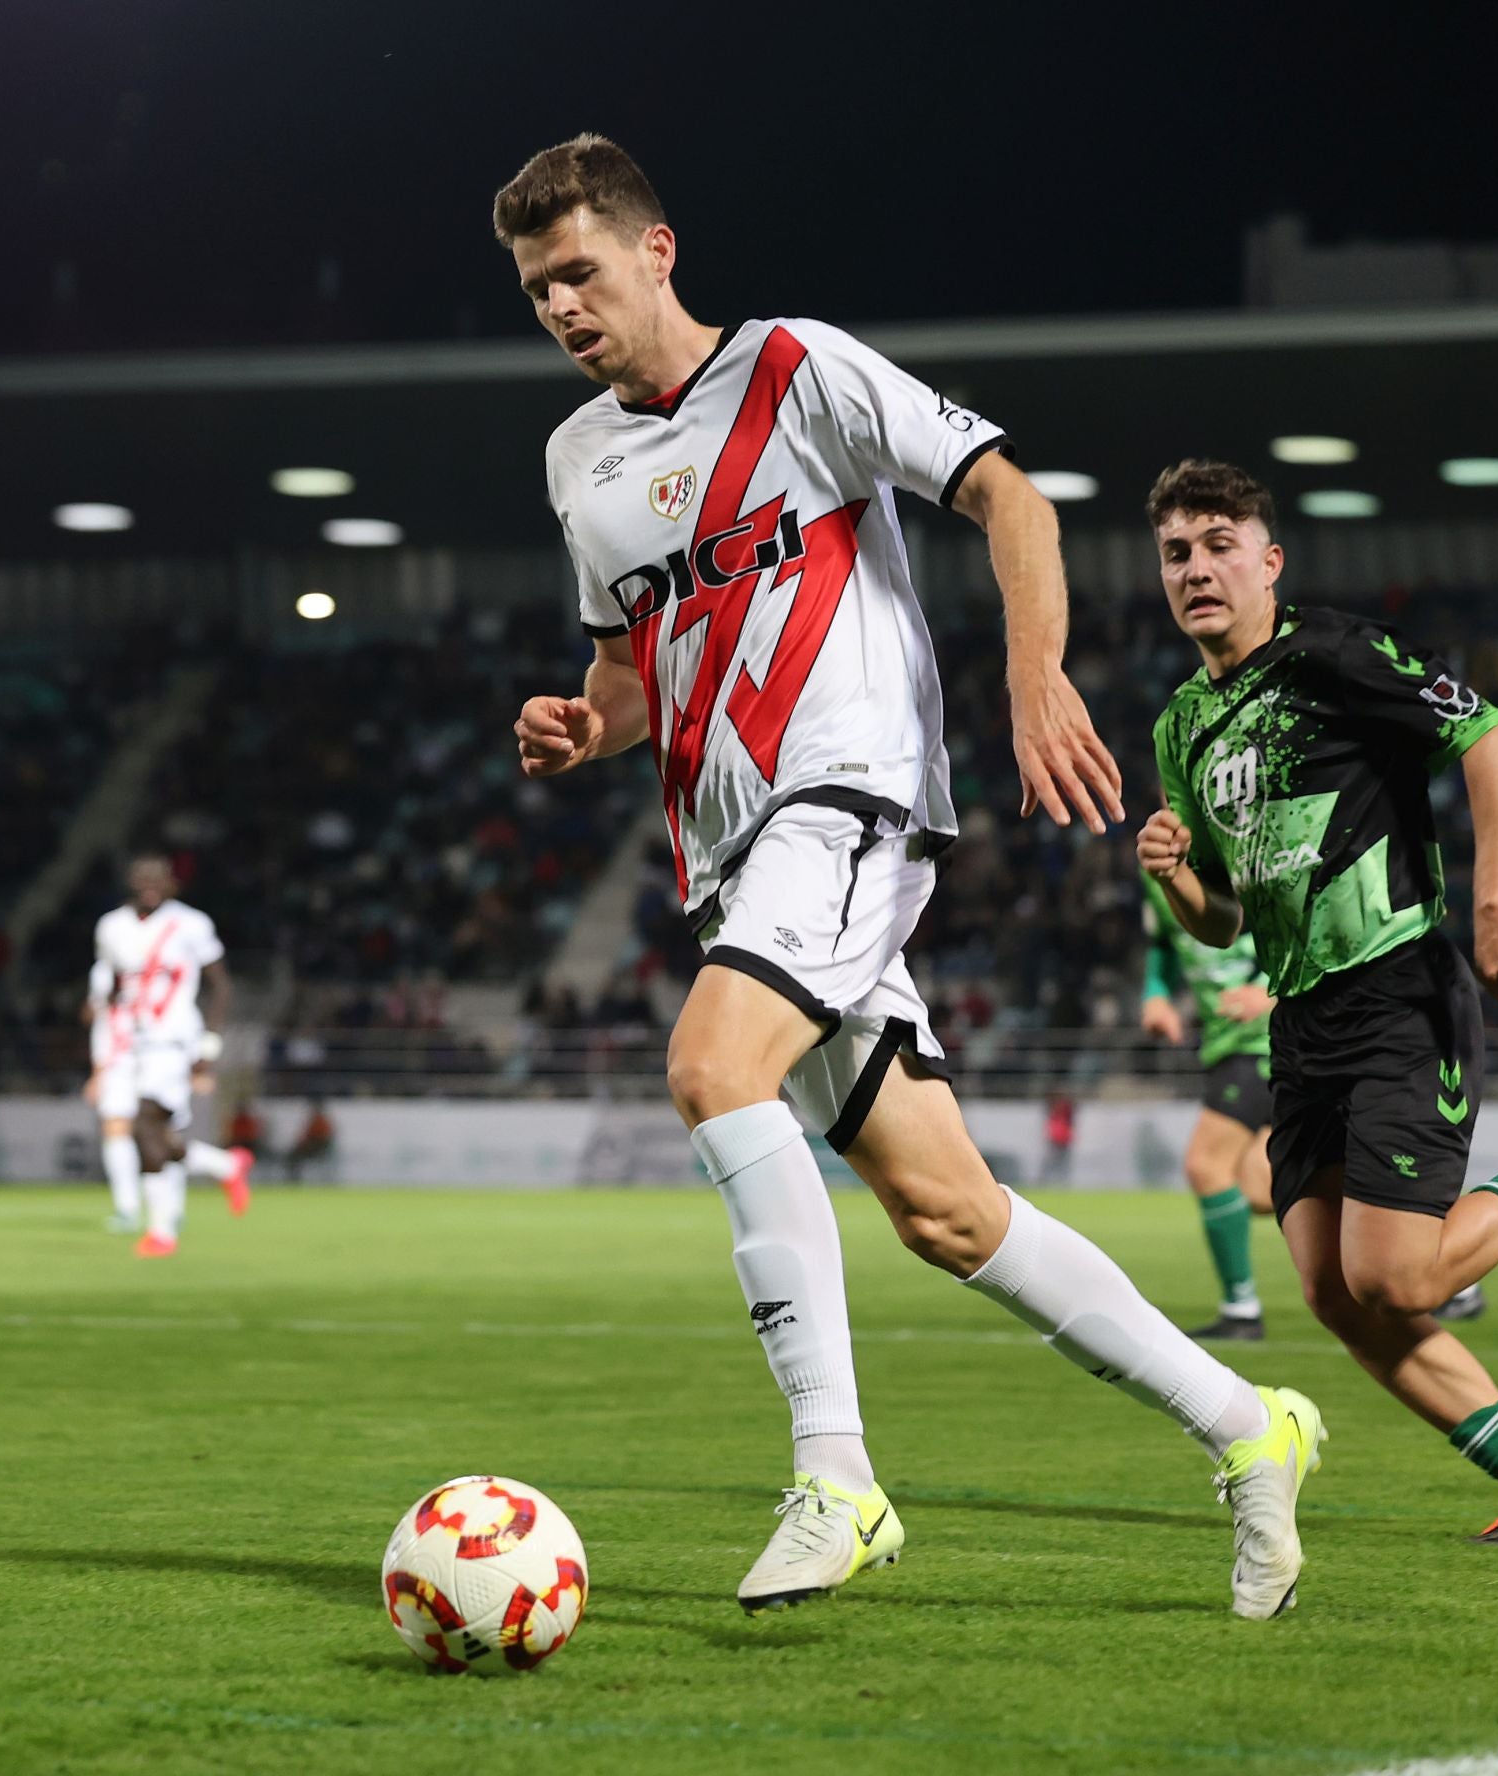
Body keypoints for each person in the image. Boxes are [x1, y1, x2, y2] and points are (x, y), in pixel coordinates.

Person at [499, 135, 1323, 1620]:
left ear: (656, 250)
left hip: (852, 795)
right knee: (950, 1215)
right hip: (733, 854)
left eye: (580, 271)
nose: (561, 305)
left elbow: (1014, 497)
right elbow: (628, 669)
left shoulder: (795, 368)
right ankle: (1249, 1425)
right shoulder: (579, 463)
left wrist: (1032, 679)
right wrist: (583, 725)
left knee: (711, 1065)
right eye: (536, 286)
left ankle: (838, 1479)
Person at [1136, 459, 1498, 1545]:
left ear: (1270, 562)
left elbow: (1494, 739)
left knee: (1397, 1273)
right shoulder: (1183, 725)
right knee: (1332, 1290)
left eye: (1220, 545)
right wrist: (1175, 874)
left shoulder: (1335, 654)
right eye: (1178, 551)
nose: (1197, 569)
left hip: (1397, 984)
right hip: (1299, 1014)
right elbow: (1225, 921)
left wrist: (1496, 904)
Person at [91, 854, 253, 1257]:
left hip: (172, 1041)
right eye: (141, 877)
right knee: (153, 1134)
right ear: (129, 881)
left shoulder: (191, 924)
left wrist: (208, 1047)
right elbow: (113, 983)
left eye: (158, 878)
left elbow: (221, 987)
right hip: (131, 1043)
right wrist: (109, 1035)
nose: (149, 884)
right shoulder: (111, 927)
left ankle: (162, 1230)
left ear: (172, 883)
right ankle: (224, 1166)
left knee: (148, 1124)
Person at [1138, 868, 1274, 1338]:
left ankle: (1241, 1309)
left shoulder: (1254, 849)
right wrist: (1156, 994)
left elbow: (1318, 929)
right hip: (1225, 1041)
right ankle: (1421, 1245)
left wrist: (1272, 990)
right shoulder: (1155, 868)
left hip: (1267, 1039)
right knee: (1262, 1187)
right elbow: (1163, 941)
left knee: (1205, 1164)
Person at [83, 957, 141, 1232]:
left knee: (117, 1132)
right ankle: (169, 1209)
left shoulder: (110, 972)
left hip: (122, 1066)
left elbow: (107, 1027)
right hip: (152, 1061)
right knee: (155, 1135)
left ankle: (128, 1208)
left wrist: (98, 1074)